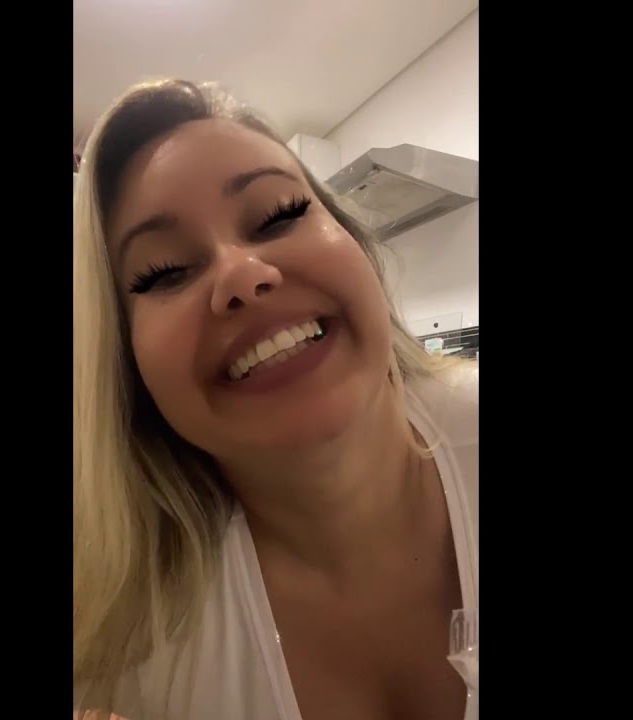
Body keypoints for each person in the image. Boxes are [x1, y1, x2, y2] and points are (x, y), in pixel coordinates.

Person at [73, 78, 479, 720]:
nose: (240, 272)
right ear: (128, 369)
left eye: (278, 214)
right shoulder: (125, 647)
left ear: (358, 247)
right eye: (163, 271)